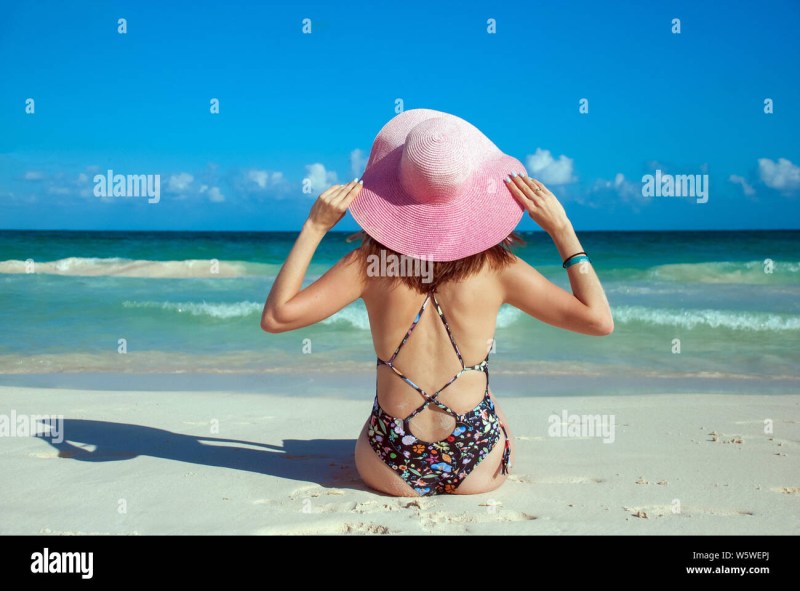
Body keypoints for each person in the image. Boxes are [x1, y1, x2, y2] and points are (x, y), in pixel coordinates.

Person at [262, 108, 613, 497]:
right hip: (476, 466)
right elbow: (598, 320)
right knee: (485, 391)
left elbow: (276, 318)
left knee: (387, 407)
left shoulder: (369, 266)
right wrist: (562, 229)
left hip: (388, 465)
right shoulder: (499, 269)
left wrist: (314, 227)